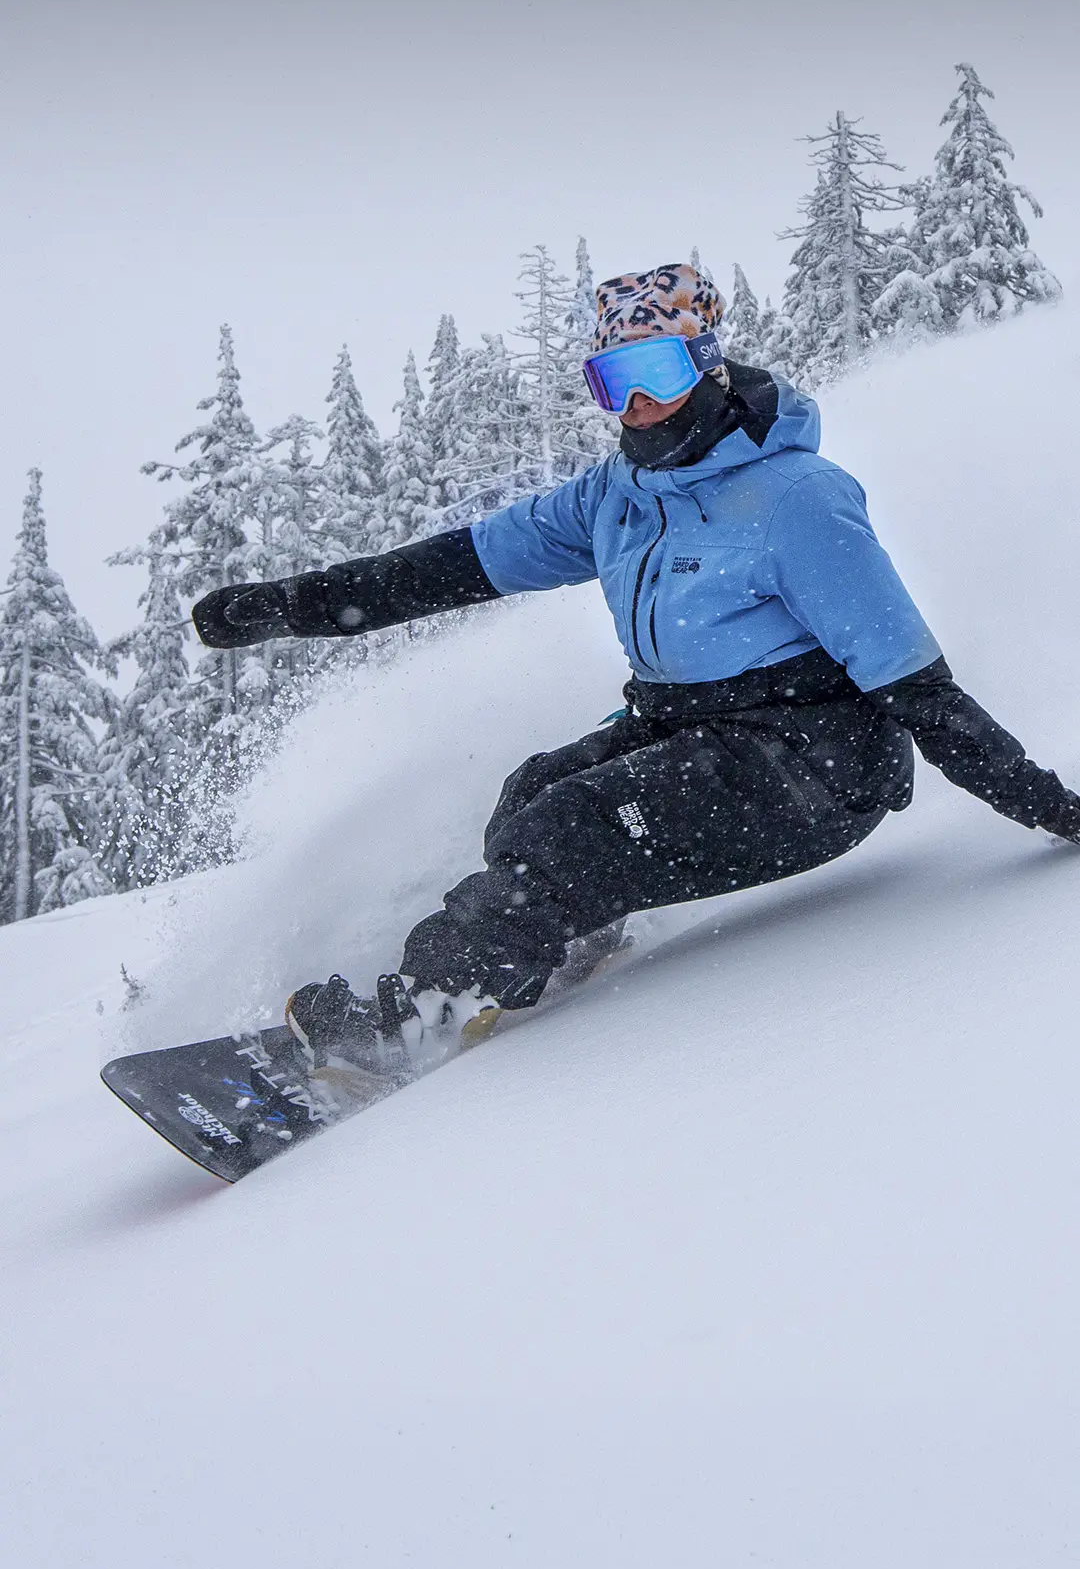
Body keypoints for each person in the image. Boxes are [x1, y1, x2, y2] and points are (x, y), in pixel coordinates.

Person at [193, 262, 1080, 1074]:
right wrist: (288, 606)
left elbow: (918, 688)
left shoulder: (797, 499)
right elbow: (456, 566)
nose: (639, 405)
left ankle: (409, 1020)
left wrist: (1051, 808)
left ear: (708, 364)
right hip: (689, 728)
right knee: (532, 793)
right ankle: (564, 945)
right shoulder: (614, 497)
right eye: (613, 381)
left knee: (574, 825)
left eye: (657, 371)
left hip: (818, 760)